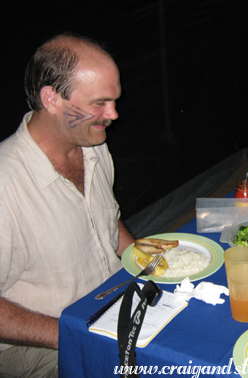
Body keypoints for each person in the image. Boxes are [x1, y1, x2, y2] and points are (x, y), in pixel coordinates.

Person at [0, 33, 135, 376]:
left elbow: (107, 219)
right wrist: (73, 334)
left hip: (112, 306)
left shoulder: (93, 145)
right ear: (52, 99)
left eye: (115, 101)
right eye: (100, 103)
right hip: (40, 341)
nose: (113, 114)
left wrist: (146, 259)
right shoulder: (6, 185)